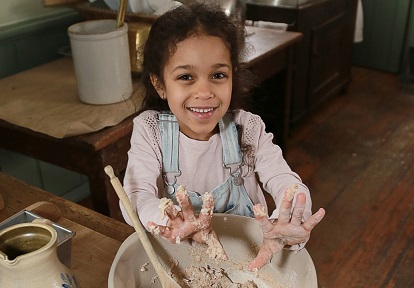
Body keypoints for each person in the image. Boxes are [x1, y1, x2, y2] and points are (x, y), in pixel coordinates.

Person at [121, 2, 325, 271]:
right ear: (159, 84)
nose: (204, 92)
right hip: (181, 261)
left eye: (218, 75)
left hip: (250, 264)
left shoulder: (248, 129)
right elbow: (137, 196)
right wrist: (168, 221)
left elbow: (284, 180)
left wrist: (292, 216)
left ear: (233, 76)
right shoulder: (151, 132)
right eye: (186, 77)